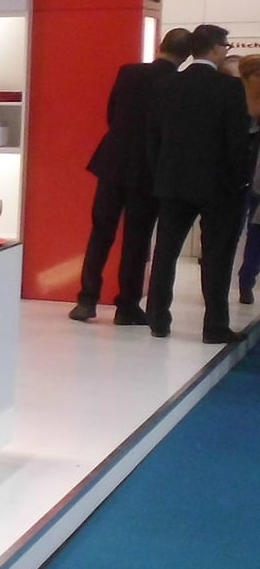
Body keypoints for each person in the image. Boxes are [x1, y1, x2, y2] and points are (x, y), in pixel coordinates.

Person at [70, 27, 191, 325]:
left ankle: (86, 299)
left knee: (101, 231)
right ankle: (127, 305)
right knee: (137, 239)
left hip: (113, 160)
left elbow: (112, 113)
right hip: (149, 168)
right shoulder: (177, 83)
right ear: (186, 56)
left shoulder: (129, 72)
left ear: (160, 45)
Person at [145, 24, 247, 343]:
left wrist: (161, 173)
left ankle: (157, 318)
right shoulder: (229, 88)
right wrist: (241, 179)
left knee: (165, 251)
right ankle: (214, 325)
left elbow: (153, 137)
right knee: (217, 256)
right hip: (219, 186)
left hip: (173, 181)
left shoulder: (166, 85)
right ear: (216, 48)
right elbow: (236, 141)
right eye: (226, 47)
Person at [236, 54, 260, 305]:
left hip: (239, 176)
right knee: (256, 232)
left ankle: (245, 281)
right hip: (254, 178)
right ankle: (246, 281)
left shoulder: (234, 96)